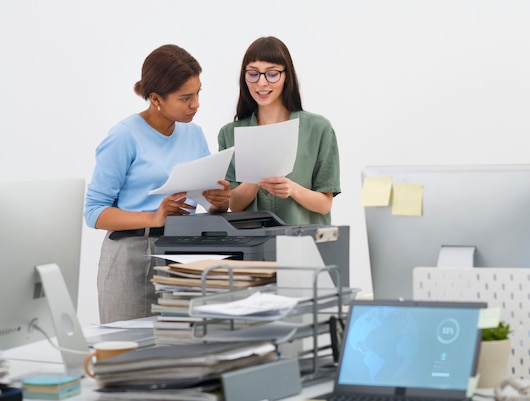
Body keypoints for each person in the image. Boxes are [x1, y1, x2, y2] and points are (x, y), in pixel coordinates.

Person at [84, 44, 230, 323]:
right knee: (126, 355)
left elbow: (204, 200)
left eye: (198, 93)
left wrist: (219, 202)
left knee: (179, 349)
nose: (196, 104)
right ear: (156, 98)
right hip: (131, 255)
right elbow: (94, 213)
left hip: (182, 252)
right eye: (185, 97)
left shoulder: (194, 134)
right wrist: (154, 215)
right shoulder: (123, 137)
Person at [217, 36, 340, 225]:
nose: (261, 83)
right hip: (253, 247)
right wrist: (255, 178)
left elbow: (325, 204)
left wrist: (292, 189)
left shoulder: (319, 129)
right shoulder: (229, 134)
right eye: (253, 73)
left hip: (303, 245)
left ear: (286, 76)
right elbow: (234, 205)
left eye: (272, 74)